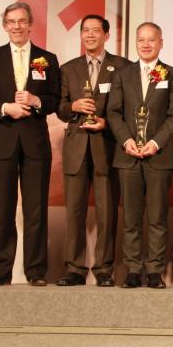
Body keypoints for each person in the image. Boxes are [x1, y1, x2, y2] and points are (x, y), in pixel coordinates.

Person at [0, 2, 60, 286]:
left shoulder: (47, 58)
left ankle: (36, 271)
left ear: (30, 23)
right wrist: (4, 107)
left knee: (36, 209)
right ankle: (1, 271)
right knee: (4, 209)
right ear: (4, 25)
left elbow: (56, 101)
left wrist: (37, 101)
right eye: (11, 21)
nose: (17, 26)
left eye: (22, 21)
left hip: (35, 144)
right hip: (2, 141)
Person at [107, 22, 173, 288]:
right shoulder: (122, 75)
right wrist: (126, 140)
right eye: (141, 40)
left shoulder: (172, 75)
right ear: (136, 43)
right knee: (131, 217)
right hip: (127, 154)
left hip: (158, 156)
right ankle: (132, 269)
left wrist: (155, 142)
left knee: (158, 216)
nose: (146, 44)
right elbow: (113, 112)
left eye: (152, 40)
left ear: (161, 42)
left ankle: (154, 271)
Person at [56, 15, 129, 287]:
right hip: (76, 148)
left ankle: (104, 268)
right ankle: (74, 268)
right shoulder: (69, 69)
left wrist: (107, 123)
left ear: (106, 35)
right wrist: (73, 107)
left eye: (95, 31)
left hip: (107, 147)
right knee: (74, 211)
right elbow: (60, 107)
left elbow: (129, 109)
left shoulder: (122, 66)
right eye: (85, 30)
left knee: (107, 211)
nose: (90, 35)